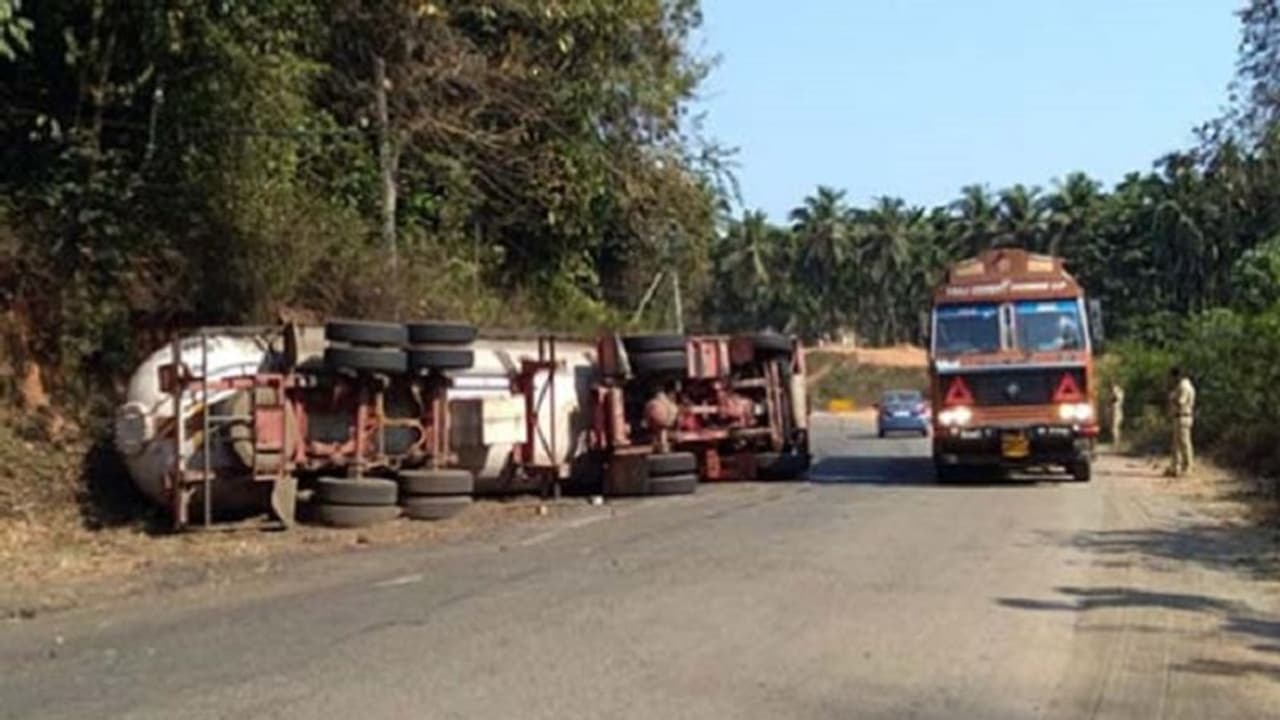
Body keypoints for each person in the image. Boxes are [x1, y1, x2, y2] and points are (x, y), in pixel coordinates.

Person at [1165, 367, 1196, 477]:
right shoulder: (1181, 386)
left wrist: (1172, 397)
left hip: (1183, 417)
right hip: (1179, 417)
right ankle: (1175, 467)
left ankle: (1187, 467)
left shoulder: (1184, 386)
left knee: (1184, 444)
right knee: (1176, 445)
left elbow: (1180, 402)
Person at [1110, 382, 1125, 448]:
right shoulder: (1116, 395)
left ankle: (1117, 443)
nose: (1113, 390)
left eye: (1114, 388)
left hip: (1118, 412)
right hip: (1116, 412)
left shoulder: (1119, 394)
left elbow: (1118, 400)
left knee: (1115, 428)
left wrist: (1115, 392)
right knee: (1115, 429)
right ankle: (1117, 443)